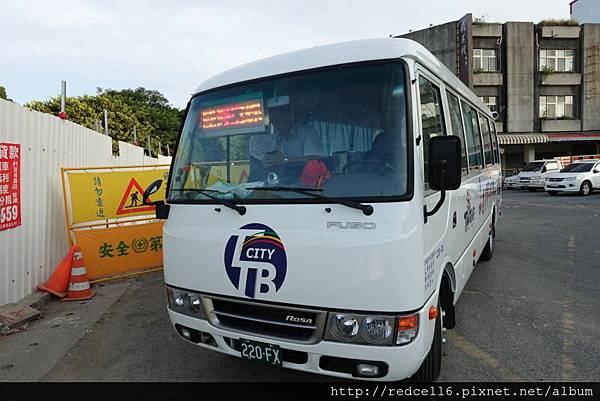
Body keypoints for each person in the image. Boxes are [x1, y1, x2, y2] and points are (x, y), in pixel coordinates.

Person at [249, 95, 322, 181]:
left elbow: (314, 160)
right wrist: (268, 163)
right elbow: (276, 162)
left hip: (308, 183)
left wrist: (285, 160)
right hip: (285, 183)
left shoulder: (306, 132)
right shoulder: (276, 139)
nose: (275, 125)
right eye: (273, 122)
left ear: (289, 117)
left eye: (278, 120)